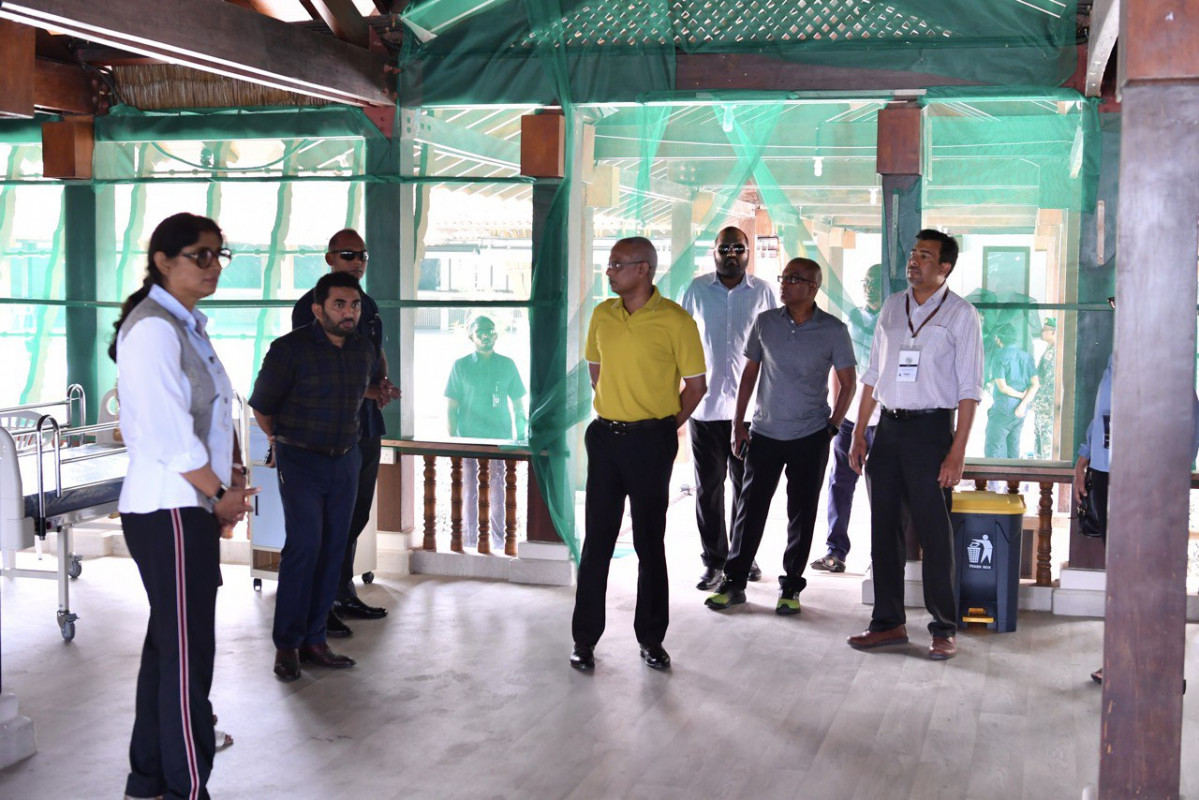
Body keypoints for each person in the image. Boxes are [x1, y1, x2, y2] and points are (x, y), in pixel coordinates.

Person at [111, 213, 257, 800]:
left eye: (220, 255)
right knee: (187, 658)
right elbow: (171, 438)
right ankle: (187, 786)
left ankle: (147, 782)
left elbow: (220, 409)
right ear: (164, 260)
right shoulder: (152, 329)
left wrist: (229, 482)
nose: (213, 266)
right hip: (168, 508)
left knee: (167, 651)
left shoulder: (187, 324)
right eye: (201, 255)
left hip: (189, 507)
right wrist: (219, 496)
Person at [569, 237, 706, 671]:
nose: (609, 272)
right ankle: (584, 640)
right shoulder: (602, 315)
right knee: (597, 543)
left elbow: (697, 387)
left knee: (650, 543)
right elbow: (596, 369)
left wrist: (663, 426)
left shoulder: (675, 320)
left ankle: (651, 639)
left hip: (652, 443)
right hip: (606, 439)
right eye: (609, 265)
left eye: (616, 265)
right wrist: (618, 406)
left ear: (643, 269)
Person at [847, 229, 984, 661]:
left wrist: (956, 451)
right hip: (887, 430)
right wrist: (858, 431)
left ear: (944, 267)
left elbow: (969, 389)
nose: (914, 262)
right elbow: (872, 374)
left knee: (934, 534)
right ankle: (887, 623)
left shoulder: (961, 315)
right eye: (912, 254)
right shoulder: (892, 306)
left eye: (925, 256)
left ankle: (943, 627)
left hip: (931, 434)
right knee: (883, 529)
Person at [704, 258, 855, 614]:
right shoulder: (766, 322)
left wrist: (832, 425)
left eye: (794, 279)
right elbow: (749, 375)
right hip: (765, 433)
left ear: (813, 287)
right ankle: (734, 581)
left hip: (810, 435)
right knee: (749, 510)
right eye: (783, 278)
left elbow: (848, 384)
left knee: (801, 514)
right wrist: (738, 423)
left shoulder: (833, 330)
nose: (784, 285)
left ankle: (791, 588)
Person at [251, 271, 376, 682]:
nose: (349, 312)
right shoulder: (289, 350)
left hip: (345, 460)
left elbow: (362, 399)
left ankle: (315, 639)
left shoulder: (362, 350)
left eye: (354, 305)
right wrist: (281, 442)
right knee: (304, 547)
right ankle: (287, 645)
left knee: (333, 548)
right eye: (339, 304)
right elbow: (263, 407)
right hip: (301, 460)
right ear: (318, 308)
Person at [291, 229, 399, 637]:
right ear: (330, 258)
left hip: (365, 423)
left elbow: (375, 349)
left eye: (363, 255)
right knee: (323, 524)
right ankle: (317, 607)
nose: (358, 261)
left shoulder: (364, 304)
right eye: (349, 254)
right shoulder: (312, 307)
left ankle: (341, 591)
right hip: (326, 428)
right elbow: (317, 370)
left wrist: (382, 383)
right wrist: (365, 389)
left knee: (353, 516)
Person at [680, 226, 777, 590]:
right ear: (714, 252)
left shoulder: (763, 292)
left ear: (748, 252)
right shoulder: (696, 291)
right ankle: (714, 561)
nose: (732, 254)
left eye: (739, 247)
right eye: (725, 248)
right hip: (704, 409)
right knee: (708, 489)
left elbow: (774, 347)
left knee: (747, 489)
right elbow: (680, 342)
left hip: (751, 412)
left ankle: (743, 556)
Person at [813, 262, 883, 573]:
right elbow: (838, 369)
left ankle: (880, 557)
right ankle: (835, 551)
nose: (869, 286)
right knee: (840, 484)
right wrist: (836, 414)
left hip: (884, 421)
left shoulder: (893, 319)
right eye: (866, 280)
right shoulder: (853, 319)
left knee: (881, 490)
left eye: (875, 281)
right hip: (850, 420)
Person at [445, 315, 528, 550]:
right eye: (480, 331)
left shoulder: (507, 365)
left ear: (496, 335)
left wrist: (520, 439)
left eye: (490, 331)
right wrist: (453, 444)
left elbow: (519, 406)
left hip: (500, 439)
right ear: (471, 335)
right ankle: (470, 540)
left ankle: (500, 541)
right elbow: (451, 409)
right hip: (468, 439)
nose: (485, 335)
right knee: (469, 490)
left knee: (499, 491)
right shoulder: (460, 366)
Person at [984, 323, 1039, 459]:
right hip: (1020, 412)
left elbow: (1003, 387)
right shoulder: (1027, 357)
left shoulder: (999, 357)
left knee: (993, 448)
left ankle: (994, 480)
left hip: (1003, 408)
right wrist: (1023, 404)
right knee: (1013, 448)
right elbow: (1035, 384)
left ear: (998, 339)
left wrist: (1019, 395)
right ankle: (1012, 480)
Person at [1032, 318, 1056, 460]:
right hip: (1041, 406)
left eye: (1045, 329)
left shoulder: (1056, 353)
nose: (1042, 331)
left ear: (1053, 332)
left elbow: (1048, 381)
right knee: (1039, 443)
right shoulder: (1048, 350)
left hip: (1047, 407)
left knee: (1046, 445)